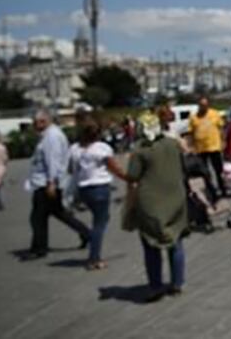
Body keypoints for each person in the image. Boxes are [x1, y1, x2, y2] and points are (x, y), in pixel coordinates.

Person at [124, 107, 189, 302]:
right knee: (175, 242)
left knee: (151, 246)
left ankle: (155, 286)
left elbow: (132, 176)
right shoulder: (173, 144)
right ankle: (177, 284)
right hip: (176, 198)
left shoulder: (140, 151)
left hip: (150, 203)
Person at [22, 111, 90, 260]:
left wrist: (51, 182)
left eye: (37, 122)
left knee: (38, 217)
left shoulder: (51, 137)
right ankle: (87, 234)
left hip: (46, 183)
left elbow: (53, 161)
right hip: (46, 182)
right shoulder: (49, 135)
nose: (35, 125)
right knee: (59, 213)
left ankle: (39, 248)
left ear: (44, 121)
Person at [69, 117, 127, 270]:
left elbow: (71, 170)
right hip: (100, 187)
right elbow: (114, 168)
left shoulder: (74, 149)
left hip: (83, 188)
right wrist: (128, 178)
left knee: (99, 219)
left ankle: (93, 254)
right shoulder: (102, 148)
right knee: (99, 224)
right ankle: (94, 258)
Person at [188, 97, 226, 197]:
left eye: (205, 105)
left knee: (219, 171)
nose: (204, 107)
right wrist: (191, 146)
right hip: (201, 149)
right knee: (204, 173)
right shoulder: (193, 117)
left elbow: (221, 129)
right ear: (199, 105)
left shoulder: (215, 114)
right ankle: (211, 192)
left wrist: (223, 141)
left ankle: (223, 190)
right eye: (201, 105)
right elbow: (191, 134)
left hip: (214, 147)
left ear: (208, 105)